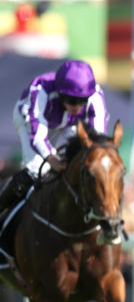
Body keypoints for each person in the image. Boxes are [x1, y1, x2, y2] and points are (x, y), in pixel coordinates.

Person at [0, 60, 108, 214]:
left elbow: (98, 139)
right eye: (72, 101)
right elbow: (37, 136)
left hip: (65, 125)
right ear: (60, 93)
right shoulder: (41, 91)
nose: (77, 107)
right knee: (37, 169)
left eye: (82, 101)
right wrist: (52, 159)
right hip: (29, 120)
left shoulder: (95, 96)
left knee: (74, 164)